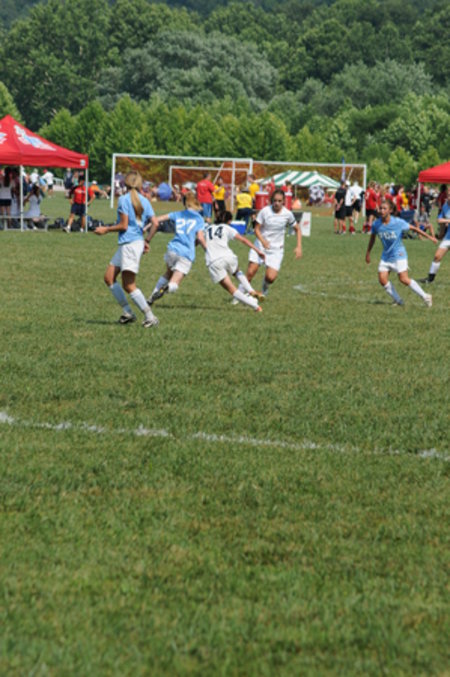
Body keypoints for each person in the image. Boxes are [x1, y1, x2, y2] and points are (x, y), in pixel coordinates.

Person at [94, 170, 159, 328]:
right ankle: (128, 313)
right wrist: (146, 240)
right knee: (109, 278)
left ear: (125, 183)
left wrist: (106, 229)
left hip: (130, 245)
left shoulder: (124, 199)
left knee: (129, 285)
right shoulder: (145, 200)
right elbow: (155, 223)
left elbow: (123, 225)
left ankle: (150, 317)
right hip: (131, 243)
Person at [365, 198, 437, 307]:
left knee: (403, 279)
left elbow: (414, 228)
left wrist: (430, 237)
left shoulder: (398, 222)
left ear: (390, 210)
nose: (382, 211)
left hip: (399, 254)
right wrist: (368, 253)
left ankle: (426, 296)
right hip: (386, 256)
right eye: (380, 208)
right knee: (382, 279)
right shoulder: (376, 224)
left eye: (384, 208)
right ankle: (398, 300)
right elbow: (372, 239)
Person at [146, 193, 207, 305]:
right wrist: (208, 250)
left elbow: (158, 219)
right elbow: (200, 237)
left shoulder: (178, 214)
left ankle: (151, 297)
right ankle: (167, 288)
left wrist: (147, 226)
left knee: (168, 273)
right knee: (174, 283)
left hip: (172, 250)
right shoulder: (199, 218)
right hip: (186, 253)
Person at [242, 189, 302, 298]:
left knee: (271, 277)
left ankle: (264, 288)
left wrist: (299, 247)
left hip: (276, 250)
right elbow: (256, 229)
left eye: (279, 201)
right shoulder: (265, 211)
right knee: (250, 272)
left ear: (284, 201)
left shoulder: (287, 214)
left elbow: (297, 229)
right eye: (275, 200)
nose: (277, 203)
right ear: (271, 201)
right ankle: (239, 294)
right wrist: (263, 241)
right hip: (260, 246)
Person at [205, 210, 264, 312]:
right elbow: (243, 240)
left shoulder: (207, 229)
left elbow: (198, 240)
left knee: (232, 289)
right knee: (237, 272)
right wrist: (258, 250)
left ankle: (256, 306)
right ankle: (251, 290)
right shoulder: (227, 228)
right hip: (228, 257)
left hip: (214, 261)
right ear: (229, 221)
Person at [420, 187, 450, 284]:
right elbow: (439, 220)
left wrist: (445, 221)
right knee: (437, 256)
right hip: (448, 237)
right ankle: (430, 279)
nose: (449, 197)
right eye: (448, 195)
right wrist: (441, 233)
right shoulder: (445, 206)